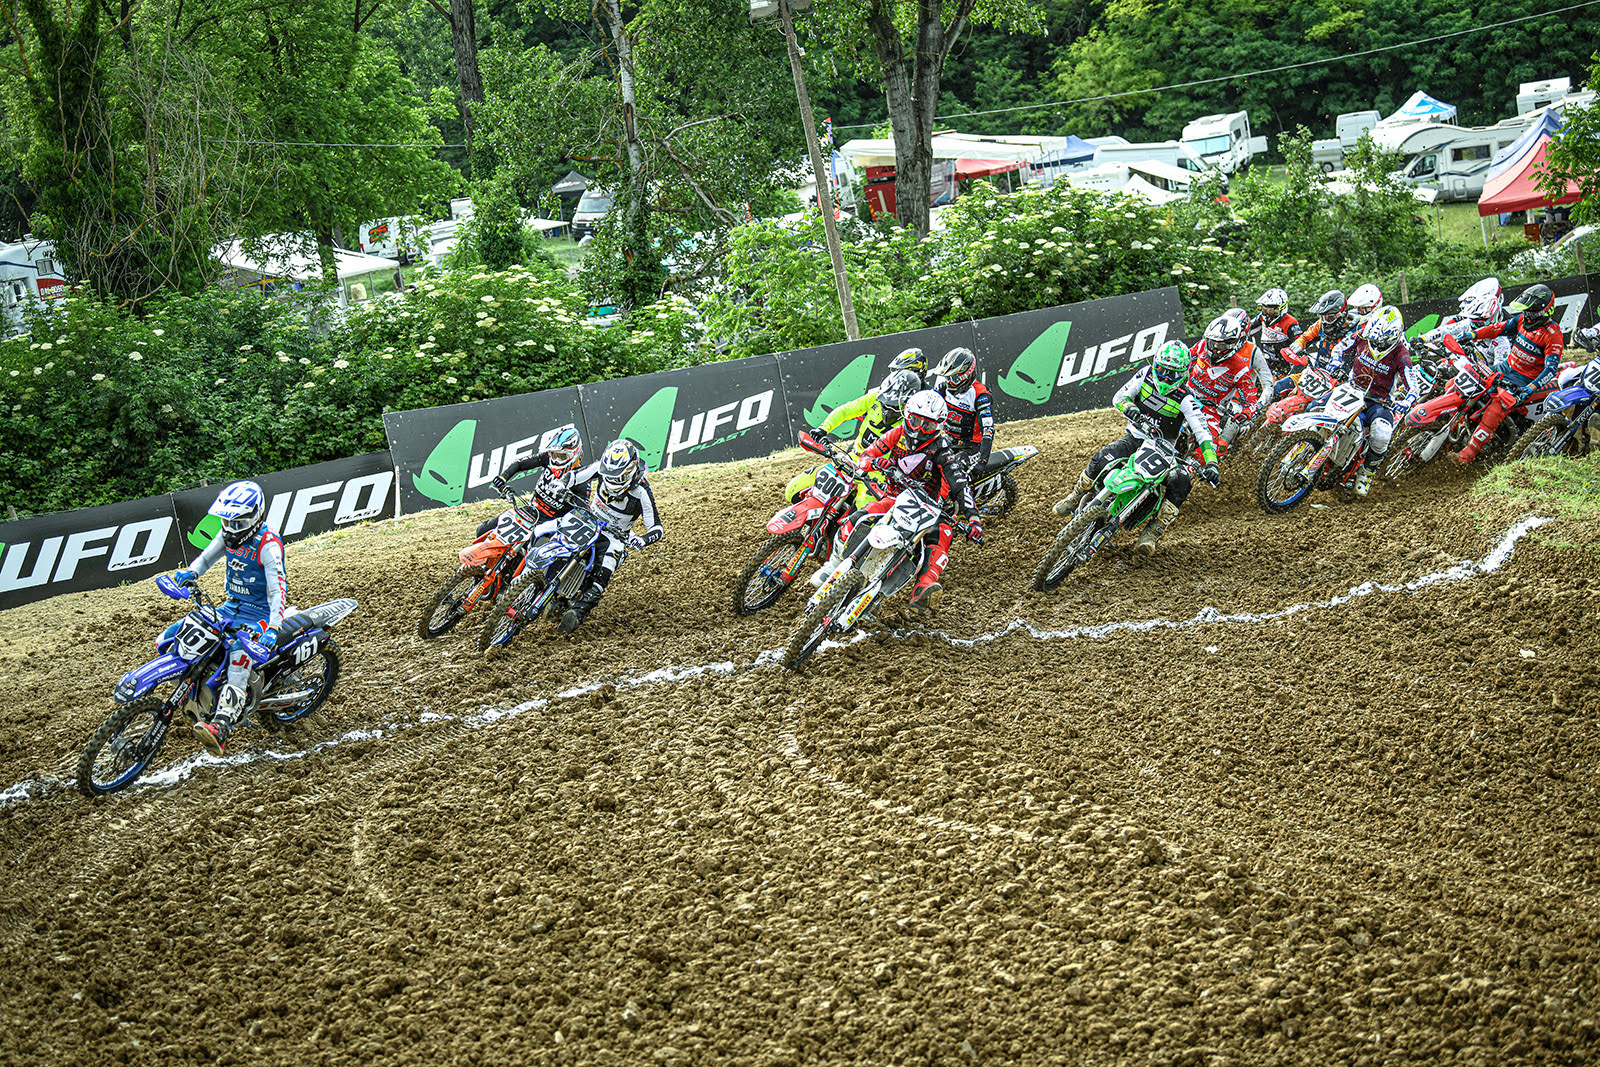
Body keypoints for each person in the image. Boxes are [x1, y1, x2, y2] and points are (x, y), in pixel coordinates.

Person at [1052, 341, 1219, 557]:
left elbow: (1203, 433)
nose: (1165, 378)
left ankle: (1153, 531)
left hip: (1164, 451)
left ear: (1183, 374)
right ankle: (1075, 497)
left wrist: (1212, 463)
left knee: (1182, 481)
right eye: (1162, 370)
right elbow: (1120, 397)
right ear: (1155, 365)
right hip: (1136, 438)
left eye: (1172, 374)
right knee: (1100, 458)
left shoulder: (1186, 398)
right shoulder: (1146, 374)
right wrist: (1131, 410)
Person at [166, 481, 287, 756]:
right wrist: (191, 572)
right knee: (180, 632)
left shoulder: (268, 545)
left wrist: (273, 627)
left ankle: (221, 726)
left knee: (238, 654)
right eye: (227, 522)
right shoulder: (228, 533)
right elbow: (205, 559)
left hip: (260, 614)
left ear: (256, 516)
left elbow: (277, 590)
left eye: (238, 523)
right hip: (231, 606)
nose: (232, 528)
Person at [831, 390, 979, 612]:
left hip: (926, 509)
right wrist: (875, 464)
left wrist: (973, 517)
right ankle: (834, 564)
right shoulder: (897, 432)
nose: (919, 430)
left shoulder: (942, 448)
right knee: (859, 516)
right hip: (893, 498)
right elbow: (866, 455)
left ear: (939, 426)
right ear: (907, 416)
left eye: (927, 425)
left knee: (944, 532)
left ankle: (924, 586)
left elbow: (959, 483)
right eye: (916, 421)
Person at [556, 439, 663, 632]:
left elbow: (656, 527)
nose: (611, 481)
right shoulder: (600, 468)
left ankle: (577, 613)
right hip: (589, 519)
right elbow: (574, 476)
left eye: (617, 477)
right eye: (608, 476)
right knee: (552, 532)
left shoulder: (642, 491)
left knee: (604, 570)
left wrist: (642, 539)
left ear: (630, 472)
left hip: (616, 536)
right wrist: (561, 484)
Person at [1455, 284, 1566, 464]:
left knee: (1496, 406)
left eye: (1531, 312)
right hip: (1505, 367)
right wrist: (1473, 335)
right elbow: (1497, 328)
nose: (1527, 316)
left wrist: (1530, 388)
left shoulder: (1553, 334)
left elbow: (1551, 369)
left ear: (1544, 312)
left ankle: (1468, 453)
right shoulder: (1522, 319)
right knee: (1469, 377)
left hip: (1523, 379)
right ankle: (1450, 423)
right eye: (1526, 311)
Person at [1328, 306, 1420, 496]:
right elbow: (1339, 347)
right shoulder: (1362, 335)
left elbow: (1414, 387)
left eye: (1381, 342)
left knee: (1381, 435)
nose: (1376, 345)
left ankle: (1367, 471)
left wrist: (1407, 401)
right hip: (1352, 389)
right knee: (1316, 405)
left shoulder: (1402, 354)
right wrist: (1335, 363)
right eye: (1374, 340)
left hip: (1379, 401)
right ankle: (1302, 446)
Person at [1185, 308, 1274, 460]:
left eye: (1222, 344)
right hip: (1195, 394)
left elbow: (1268, 385)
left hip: (1233, 402)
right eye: (1215, 342)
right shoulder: (1203, 346)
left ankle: (1218, 455)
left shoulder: (1252, 353)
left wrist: (1255, 408)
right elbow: (1186, 360)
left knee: (1220, 443)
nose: (1216, 348)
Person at [484, 426, 585, 534]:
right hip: (529, 511)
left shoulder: (582, 479)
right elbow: (519, 464)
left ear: (574, 454)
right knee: (483, 529)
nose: (556, 460)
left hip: (547, 527)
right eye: (555, 455)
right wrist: (503, 477)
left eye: (562, 456)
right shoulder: (548, 458)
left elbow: (581, 516)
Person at [808, 369, 920, 454]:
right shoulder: (874, 397)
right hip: (853, 458)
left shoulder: (913, 421)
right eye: (885, 403)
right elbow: (845, 411)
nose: (889, 408)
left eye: (894, 406)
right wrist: (823, 428)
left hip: (878, 473)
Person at [933, 346, 994, 474]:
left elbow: (988, 430)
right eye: (947, 378)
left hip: (972, 447)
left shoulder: (981, 395)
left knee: (953, 470)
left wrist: (982, 461)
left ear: (967, 376)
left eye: (954, 379)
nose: (950, 383)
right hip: (950, 440)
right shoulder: (943, 388)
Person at [1284, 290, 1359, 375]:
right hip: (1317, 373)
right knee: (1285, 381)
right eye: (1322, 317)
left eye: (1329, 318)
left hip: (1341, 377)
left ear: (1341, 314)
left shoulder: (1356, 331)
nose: (1325, 322)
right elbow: (1306, 337)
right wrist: (1298, 344)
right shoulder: (1321, 324)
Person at [1251, 287, 1303, 373]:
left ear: (1281, 308)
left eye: (1271, 310)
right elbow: (1247, 328)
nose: (1267, 314)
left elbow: (1301, 344)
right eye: (1265, 309)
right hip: (1267, 363)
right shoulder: (1262, 317)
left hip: (1285, 366)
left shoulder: (1290, 323)